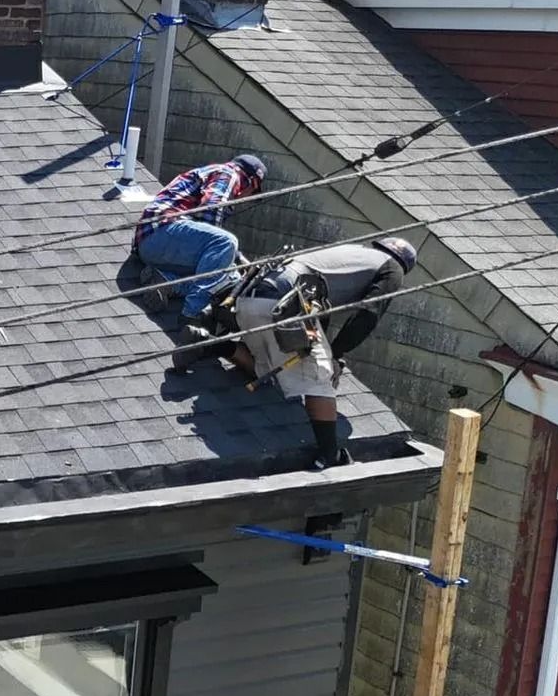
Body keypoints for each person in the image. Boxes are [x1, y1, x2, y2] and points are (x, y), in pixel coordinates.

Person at [176, 237, 416, 469]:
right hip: (283, 306)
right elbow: (367, 315)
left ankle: (208, 344)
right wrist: (335, 355)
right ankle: (329, 454)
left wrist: (332, 350)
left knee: (270, 369)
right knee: (320, 379)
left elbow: (322, 310)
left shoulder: (351, 255)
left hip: (250, 299)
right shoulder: (392, 268)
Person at [134, 154, 267, 321]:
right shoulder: (230, 174)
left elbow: (209, 241)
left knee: (232, 277)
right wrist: (233, 256)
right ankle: (192, 314)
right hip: (160, 232)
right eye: (252, 192)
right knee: (227, 243)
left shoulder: (216, 172)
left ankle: (167, 281)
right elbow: (211, 210)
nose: (246, 198)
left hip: (157, 244)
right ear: (251, 181)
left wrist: (238, 262)